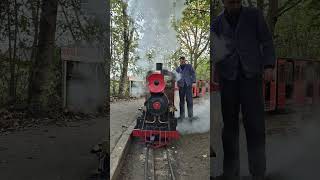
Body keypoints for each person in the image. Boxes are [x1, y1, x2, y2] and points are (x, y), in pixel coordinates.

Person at [212, 0, 276, 180]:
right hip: (228, 78)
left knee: (255, 126)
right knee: (229, 130)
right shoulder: (216, 23)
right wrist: (215, 69)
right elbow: (215, 50)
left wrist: (269, 65)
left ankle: (258, 173)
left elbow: (266, 41)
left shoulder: (254, 15)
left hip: (251, 76)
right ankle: (230, 173)